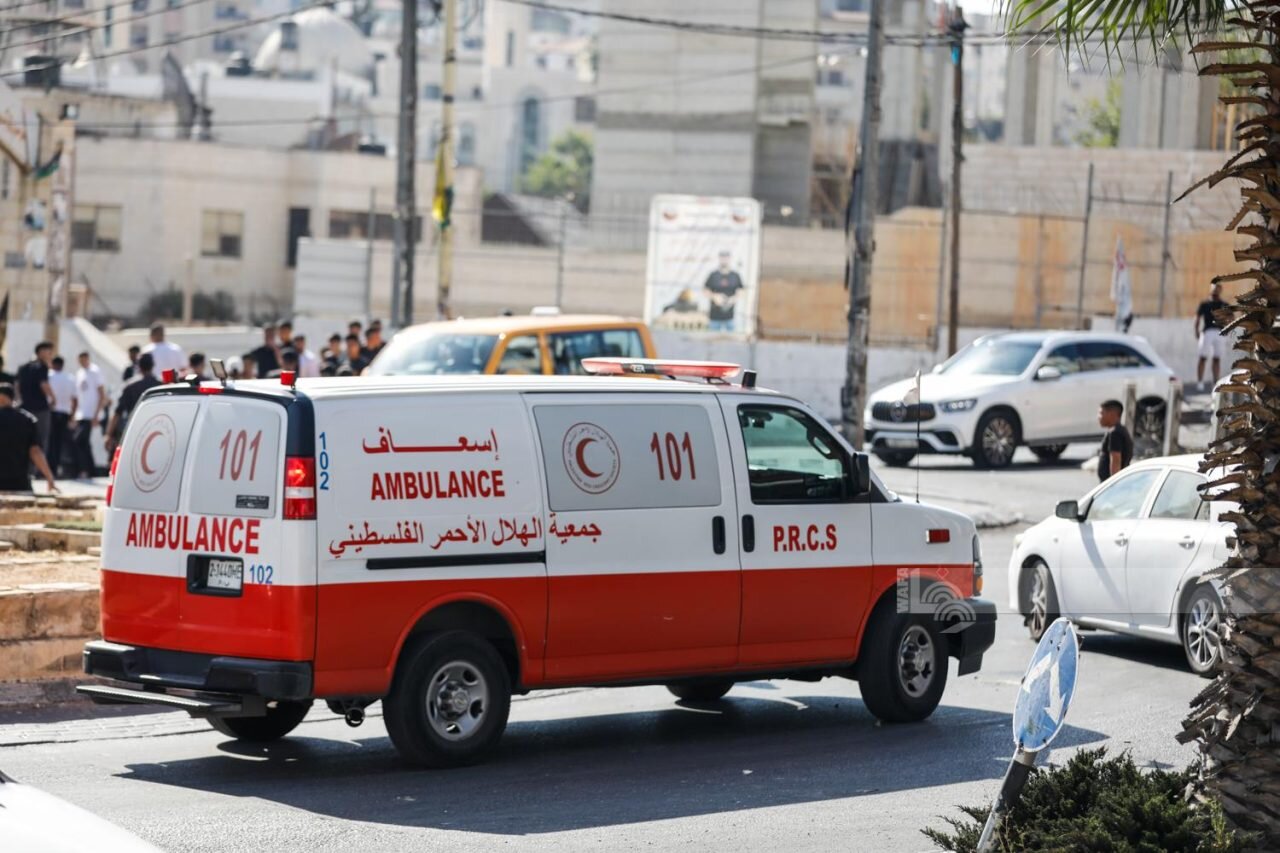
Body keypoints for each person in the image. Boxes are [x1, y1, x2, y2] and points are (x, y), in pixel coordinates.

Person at [0, 383, 58, 494]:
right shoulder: (28, 420)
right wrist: (49, 478)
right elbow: (35, 452)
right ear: (13, 399)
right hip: (19, 484)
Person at [106, 353, 159, 455]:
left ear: (138, 366)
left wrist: (108, 434)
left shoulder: (130, 386)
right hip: (156, 430)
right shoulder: (161, 385)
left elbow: (117, 412)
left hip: (134, 430)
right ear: (152, 365)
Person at [16, 341, 54, 459]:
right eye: (49, 352)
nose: (50, 355)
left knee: (25, 438)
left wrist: (19, 400)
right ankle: (39, 468)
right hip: (40, 408)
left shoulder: (23, 367)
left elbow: (17, 385)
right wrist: (53, 398)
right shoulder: (42, 366)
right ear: (41, 352)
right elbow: (44, 385)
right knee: (41, 439)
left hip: (25, 408)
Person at [72, 352, 105, 479]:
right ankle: (90, 470)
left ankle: (85, 469)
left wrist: (96, 414)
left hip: (91, 413)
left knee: (80, 440)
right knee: (84, 442)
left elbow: (101, 394)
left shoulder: (95, 371)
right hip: (82, 414)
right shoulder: (80, 373)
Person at [1195, 282, 1230, 388]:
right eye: (1214, 288)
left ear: (1220, 290)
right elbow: (1197, 318)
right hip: (1207, 332)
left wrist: (1227, 328)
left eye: (1217, 289)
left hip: (1219, 332)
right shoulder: (1205, 304)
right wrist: (1196, 330)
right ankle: (1200, 382)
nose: (1215, 291)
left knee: (1216, 358)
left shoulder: (1224, 305)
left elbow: (1230, 318)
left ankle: (1215, 382)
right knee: (1203, 357)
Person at [47, 355, 76, 477]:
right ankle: (56, 469)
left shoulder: (49, 376)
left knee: (49, 442)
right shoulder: (70, 378)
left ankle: (48, 469)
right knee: (59, 443)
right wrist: (72, 415)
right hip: (65, 413)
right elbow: (75, 399)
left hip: (51, 412)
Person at [702, 250, 744, 333]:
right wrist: (714, 297)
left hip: (730, 317)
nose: (724, 260)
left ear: (729, 259)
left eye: (726, 258)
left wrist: (733, 299)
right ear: (719, 259)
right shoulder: (713, 275)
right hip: (714, 317)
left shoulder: (735, 275)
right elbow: (705, 290)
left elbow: (741, 290)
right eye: (722, 258)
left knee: (731, 343)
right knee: (712, 343)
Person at [1097, 399, 1133, 482]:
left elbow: (1116, 460)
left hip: (1112, 484)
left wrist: (1113, 484)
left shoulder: (1115, 433)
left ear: (1112, 414)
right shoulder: (1119, 430)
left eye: (1101, 413)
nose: (1098, 417)